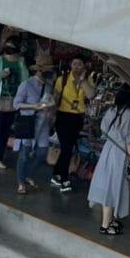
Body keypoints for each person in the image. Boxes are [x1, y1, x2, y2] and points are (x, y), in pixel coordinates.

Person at [87, 84, 130, 235]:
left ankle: (109, 220)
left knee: (107, 185)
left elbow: (104, 130)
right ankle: (105, 225)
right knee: (113, 187)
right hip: (119, 154)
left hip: (107, 150)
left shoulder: (111, 111)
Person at [50, 56, 97, 192]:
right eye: (74, 64)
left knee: (67, 148)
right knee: (67, 148)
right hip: (63, 117)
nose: (77, 66)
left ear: (84, 66)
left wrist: (82, 81)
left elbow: (90, 95)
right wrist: (51, 114)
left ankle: (56, 174)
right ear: (70, 65)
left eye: (80, 64)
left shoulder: (87, 80)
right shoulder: (62, 79)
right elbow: (55, 98)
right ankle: (64, 179)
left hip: (77, 118)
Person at [12, 55, 55, 195]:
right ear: (40, 70)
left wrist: (50, 108)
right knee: (24, 154)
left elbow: (50, 101)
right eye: (48, 69)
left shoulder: (48, 85)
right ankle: (20, 182)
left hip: (43, 124)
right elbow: (16, 104)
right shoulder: (26, 84)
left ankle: (28, 175)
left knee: (42, 153)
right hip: (29, 122)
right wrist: (34, 106)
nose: (50, 72)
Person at [0, 41, 27, 171]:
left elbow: (25, 81)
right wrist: (0, 76)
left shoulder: (20, 63)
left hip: (13, 102)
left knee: (5, 131)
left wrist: (22, 64)